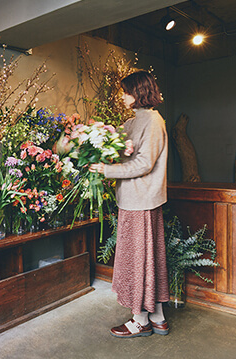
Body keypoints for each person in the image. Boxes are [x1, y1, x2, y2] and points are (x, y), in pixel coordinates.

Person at [89, 70, 169, 338]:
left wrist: (106, 170)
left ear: (138, 92)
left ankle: (140, 320)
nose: (122, 97)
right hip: (135, 200)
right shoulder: (133, 121)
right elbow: (121, 152)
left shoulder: (154, 122)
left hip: (141, 201)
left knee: (139, 261)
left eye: (125, 91)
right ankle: (156, 316)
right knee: (147, 259)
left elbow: (144, 164)